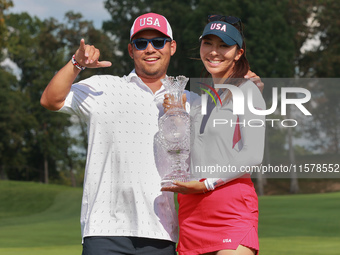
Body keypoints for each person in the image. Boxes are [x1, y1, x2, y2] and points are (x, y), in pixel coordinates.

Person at [40, 12, 263, 255]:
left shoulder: (192, 101)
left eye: (158, 42)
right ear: (130, 49)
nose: (149, 48)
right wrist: (76, 63)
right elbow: (51, 100)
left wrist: (244, 86)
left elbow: (231, 148)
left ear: (172, 47)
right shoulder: (104, 87)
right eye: (140, 43)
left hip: (162, 231)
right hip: (104, 229)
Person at [162, 15, 266, 255]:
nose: (214, 52)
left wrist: (207, 184)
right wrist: (175, 119)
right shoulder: (200, 98)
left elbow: (253, 155)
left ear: (238, 53)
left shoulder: (247, 90)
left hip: (231, 210)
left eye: (224, 45)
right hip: (192, 211)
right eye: (208, 43)